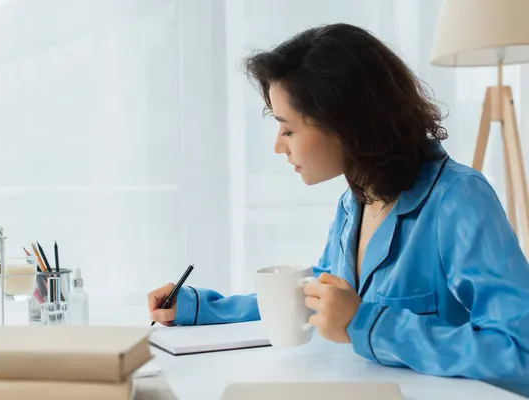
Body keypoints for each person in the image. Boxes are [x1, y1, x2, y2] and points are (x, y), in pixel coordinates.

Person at [147, 23, 529, 396]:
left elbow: (520, 351)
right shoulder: (354, 203)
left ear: (345, 123)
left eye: (288, 129)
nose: (278, 147)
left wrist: (367, 324)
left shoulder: (459, 199)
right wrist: (200, 308)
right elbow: (313, 297)